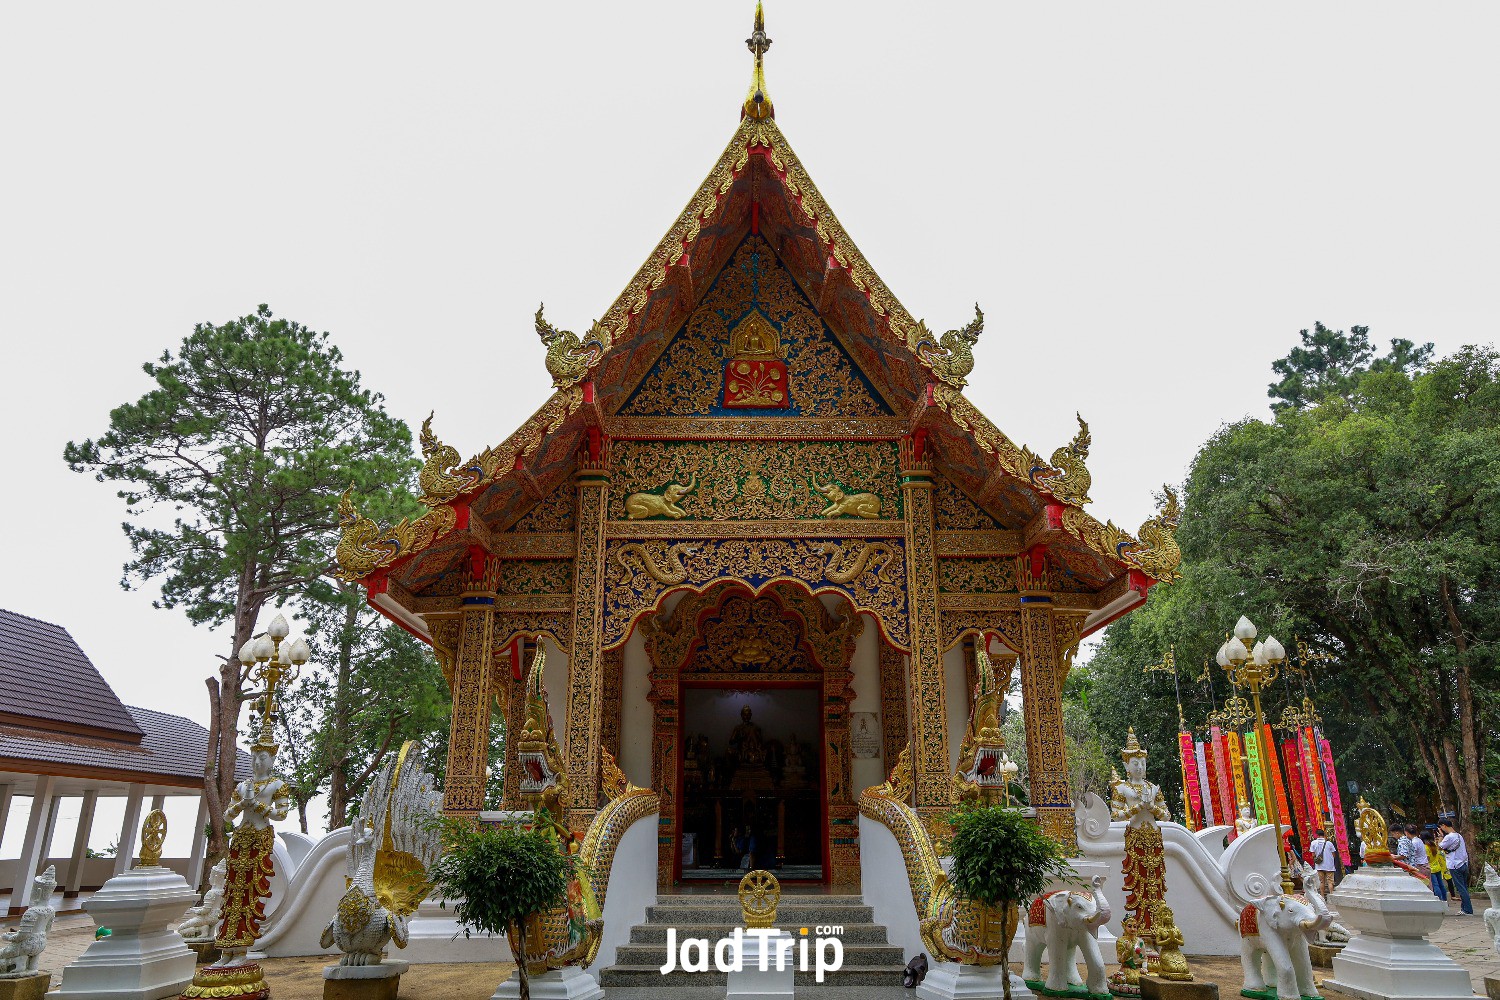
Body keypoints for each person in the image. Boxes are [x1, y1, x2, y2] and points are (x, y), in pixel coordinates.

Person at [1437, 819, 1473, 915]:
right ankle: (1464, 908)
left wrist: (1440, 836)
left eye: (1441, 827)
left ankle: (1468, 910)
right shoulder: (1459, 835)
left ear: (1443, 825)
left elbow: (1439, 847)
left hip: (1455, 865)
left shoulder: (1449, 837)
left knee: (1461, 888)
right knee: (1464, 887)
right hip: (1463, 863)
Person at [1308, 827, 1338, 896]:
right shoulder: (1329, 843)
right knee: (1330, 881)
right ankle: (1331, 895)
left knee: (1322, 882)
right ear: (1323, 835)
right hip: (1329, 865)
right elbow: (1333, 854)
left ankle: (1322, 896)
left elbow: (1313, 855)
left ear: (1317, 835)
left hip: (1319, 866)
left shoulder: (1313, 843)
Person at [1422, 830, 1448, 901]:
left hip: (1431, 868)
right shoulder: (1433, 845)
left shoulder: (1425, 847)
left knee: (1435, 885)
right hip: (1438, 867)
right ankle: (1444, 899)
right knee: (1441, 884)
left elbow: (1427, 858)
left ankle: (1439, 899)